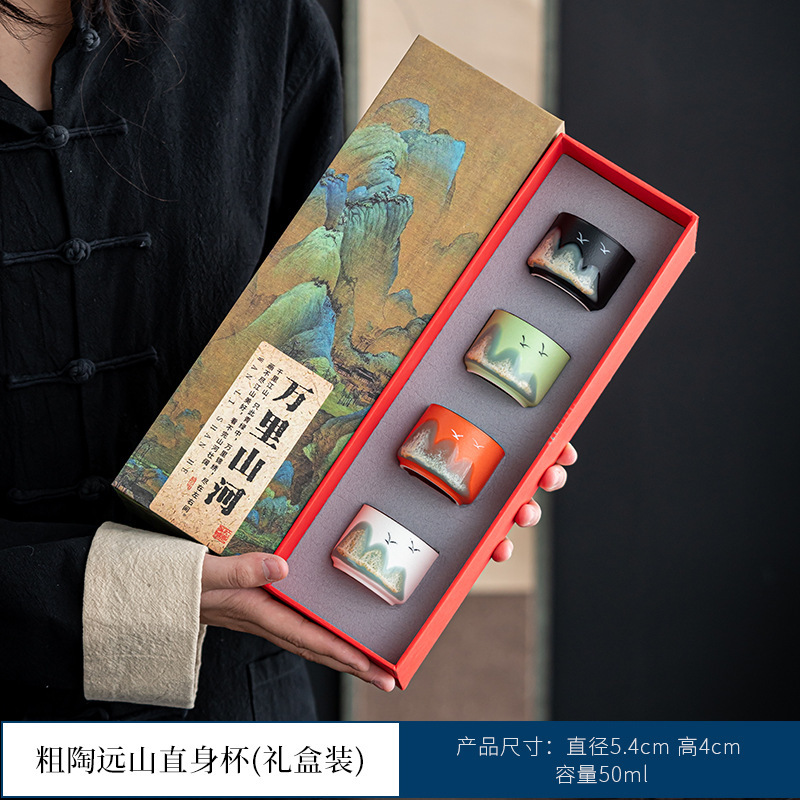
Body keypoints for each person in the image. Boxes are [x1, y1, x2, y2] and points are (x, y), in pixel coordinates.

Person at [0, 0, 577, 721]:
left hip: (240, 718)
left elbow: (338, 315)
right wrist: (135, 591)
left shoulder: (257, 19)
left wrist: (440, 466)